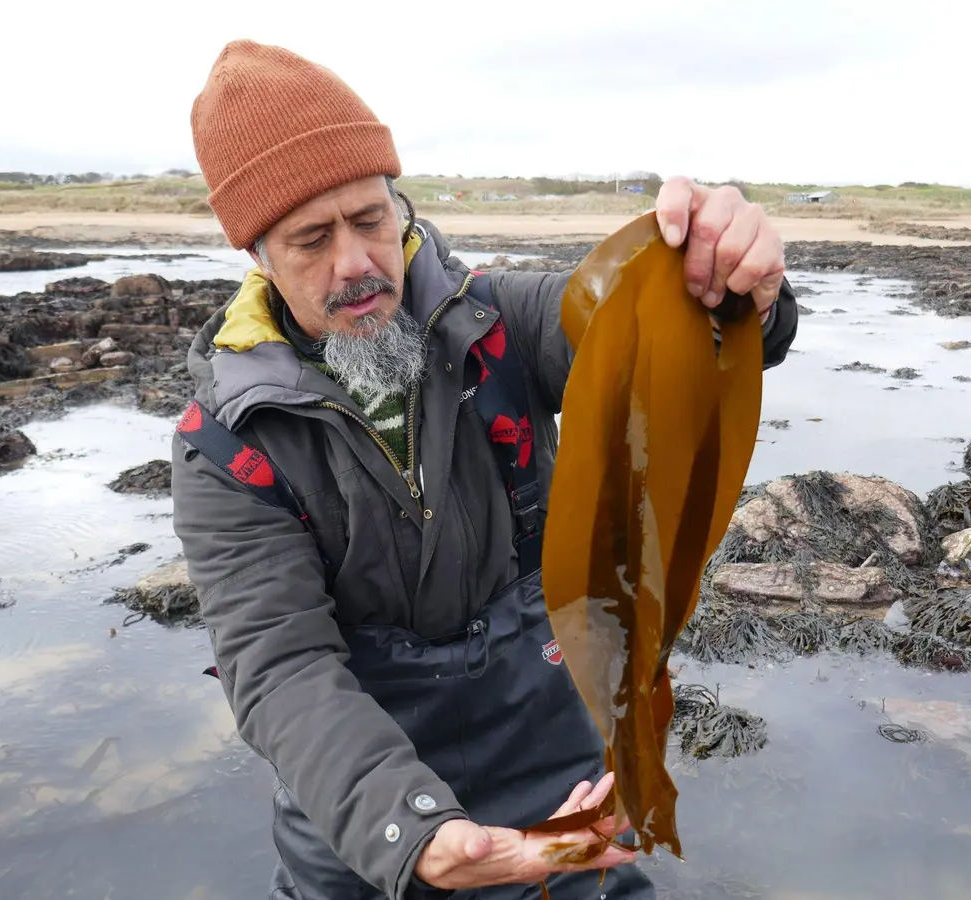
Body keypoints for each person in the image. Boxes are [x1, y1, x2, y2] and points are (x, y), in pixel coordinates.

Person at [173, 39, 801, 900]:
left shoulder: (493, 320)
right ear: (256, 257)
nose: (355, 263)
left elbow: (648, 330)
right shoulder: (227, 441)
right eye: (311, 240)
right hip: (361, 820)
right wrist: (411, 831)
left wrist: (733, 286)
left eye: (369, 219)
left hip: (556, 782)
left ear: (401, 207)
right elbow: (280, 666)